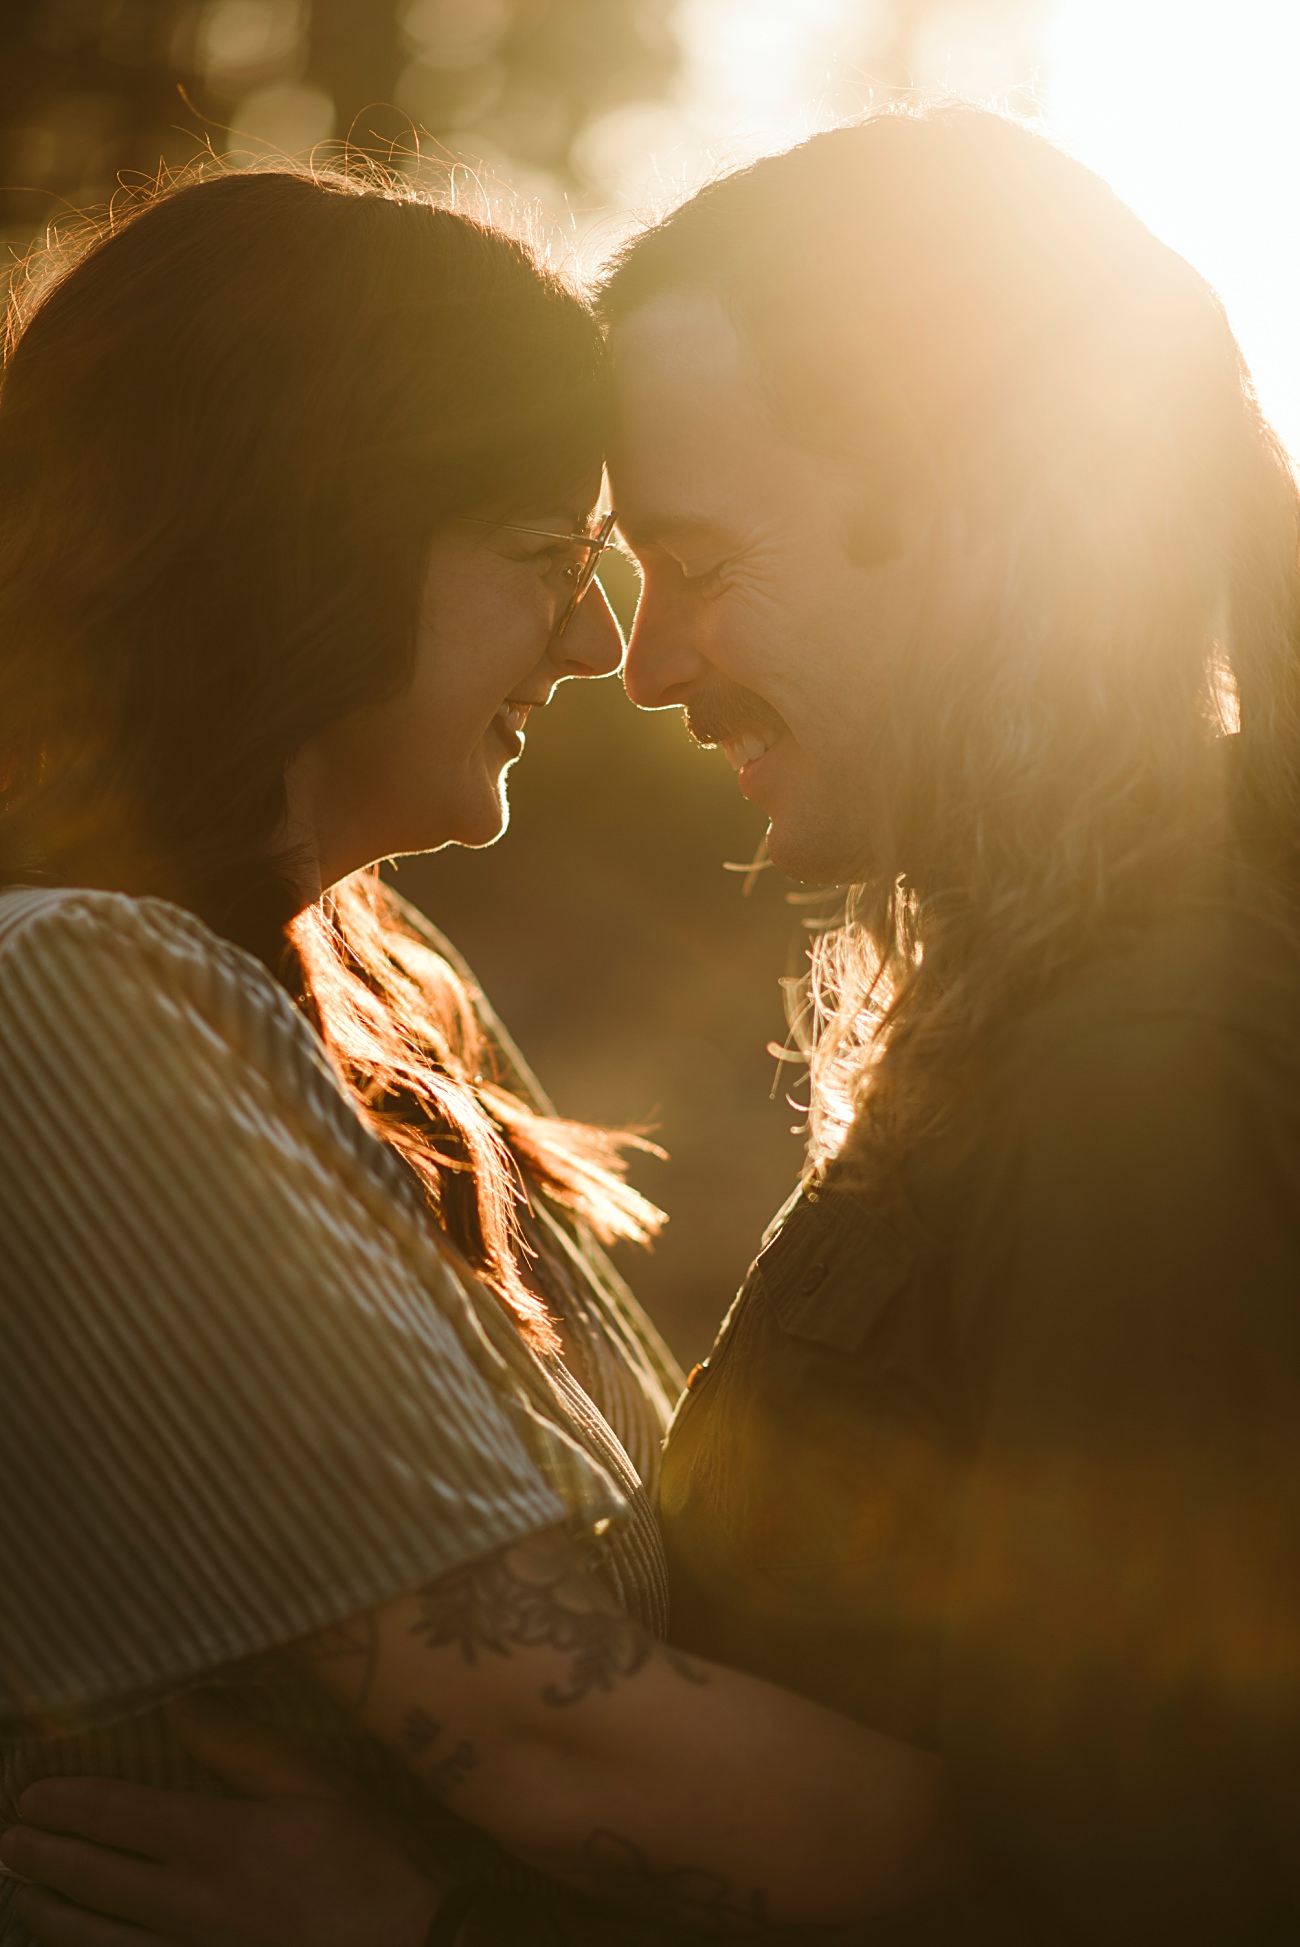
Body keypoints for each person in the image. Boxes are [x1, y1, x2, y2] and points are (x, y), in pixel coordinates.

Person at [13, 102, 1300, 1943]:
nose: (629, 652)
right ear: (318, 544)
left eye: (686, 558)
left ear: (963, 521)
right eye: (564, 552)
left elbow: (1164, 1872)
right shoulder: (112, 999)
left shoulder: (1150, 1059)